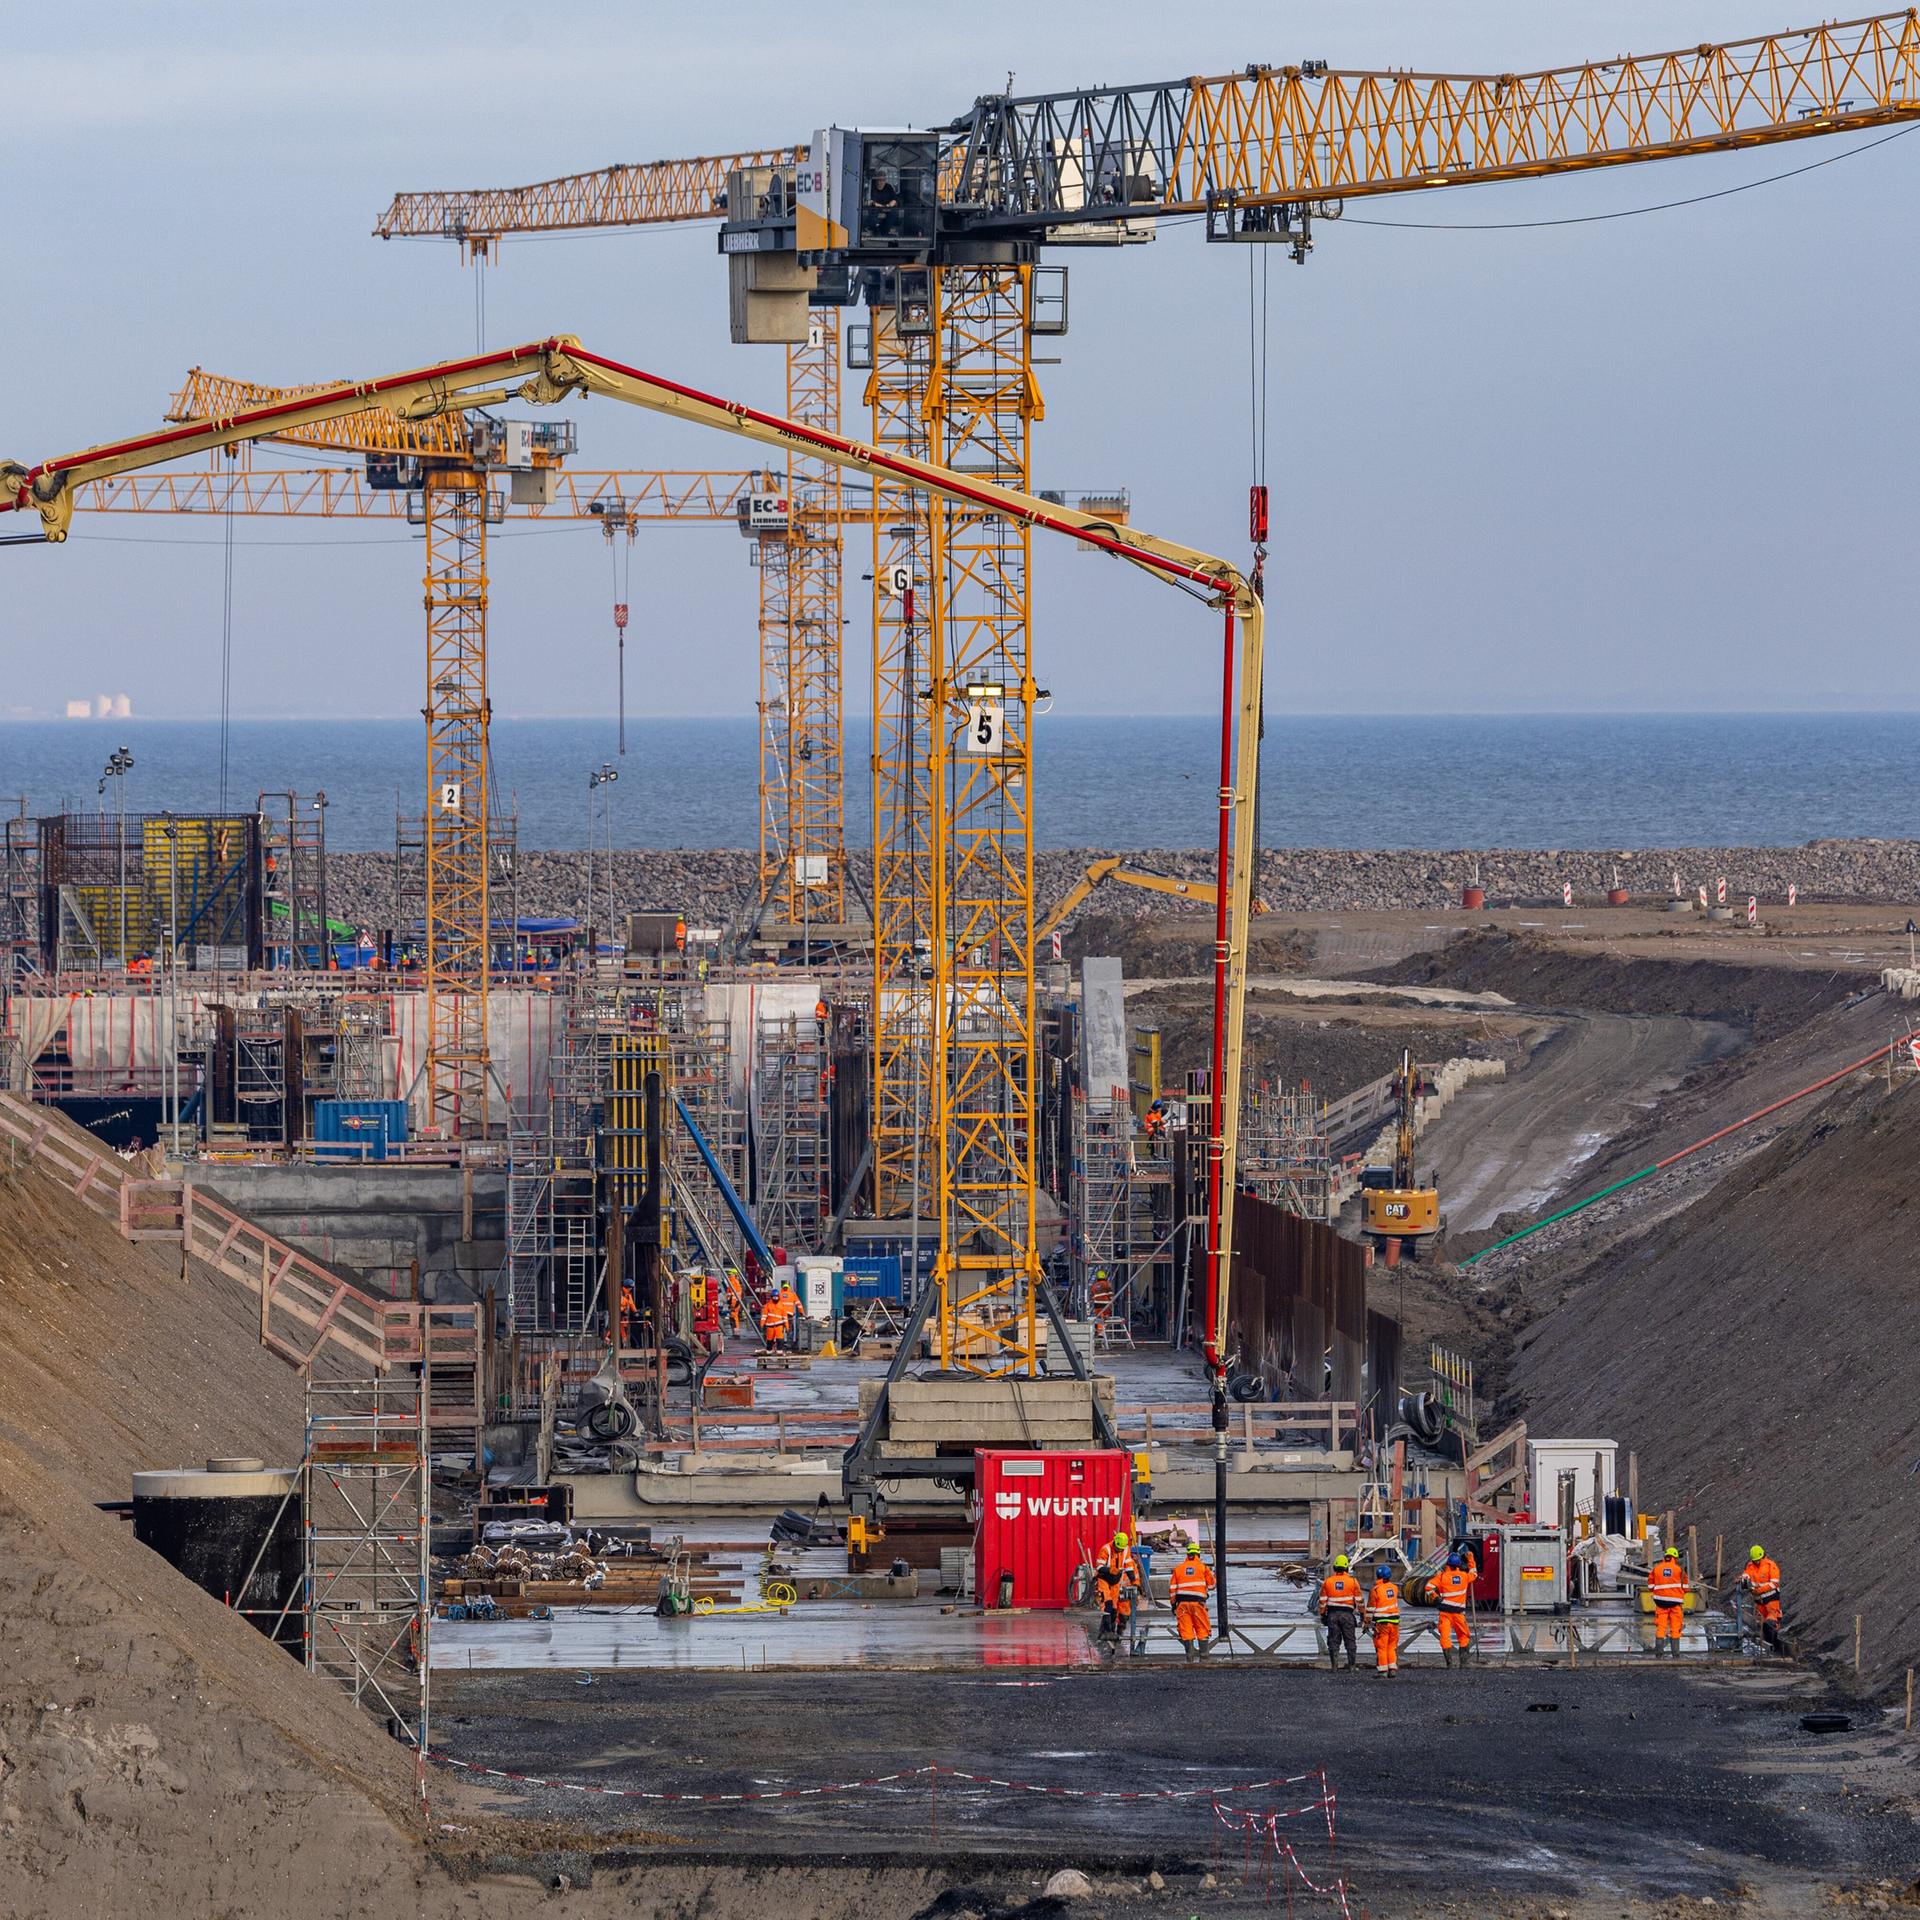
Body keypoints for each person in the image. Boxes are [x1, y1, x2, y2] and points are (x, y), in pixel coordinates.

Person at [1091, 1531, 1142, 1650]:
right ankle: (1107, 1631)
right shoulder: (1106, 1549)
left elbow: (1129, 1566)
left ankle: (1108, 1631)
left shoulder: (1125, 1550)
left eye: (1121, 1549)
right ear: (1114, 1543)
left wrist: (1134, 1581)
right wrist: (1109, 1570)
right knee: (1107, 1604)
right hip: (1104, 1578)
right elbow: (1099, 1566)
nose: (1119, 1551)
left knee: (1113, 1608)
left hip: (1115, 1581)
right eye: (1118, 1548)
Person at [1429, 1549, 1478, 1669]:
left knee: (1445, 1637)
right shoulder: (1464, 1576)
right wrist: (1471, 1559)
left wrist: (1435, 1597)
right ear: (1459, 1565)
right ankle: (1463, 1663)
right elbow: (1474, 1573)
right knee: (1464, 1636)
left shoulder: (1441, 1577)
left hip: (1445, 1613)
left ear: (1448, 1565)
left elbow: (1428, 1587)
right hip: (1459, 1614)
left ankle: (1449, 1663)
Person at [1170, 1543, 1216, 1660]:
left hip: (1182, 1605)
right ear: (1198, 1554)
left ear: (1188, 1554)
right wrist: (1214, 1575)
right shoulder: (1203, 1568)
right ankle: (1204, 1657)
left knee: (1186, 1631)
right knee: (1202, 1629)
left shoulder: (1178, 1569)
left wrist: (1173, 1605)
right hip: (1198, 1604)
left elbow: (1172, 1590)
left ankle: (1189, 1658)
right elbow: (1212, 1586)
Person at [1318, 1552, 1363, 1671]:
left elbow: (1322, 1601)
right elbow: (1360, 1601)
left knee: (1333, 1640)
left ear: (1335, 1567)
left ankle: (1334, 1666)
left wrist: (1322, 1615)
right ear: (1346, 1567)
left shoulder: (1328, 1581)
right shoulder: (1353, 1581)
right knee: (1350, 1640)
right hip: (1348, 1615)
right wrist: (1363, 1615)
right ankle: (1352, 1666)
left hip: (1332, 1615)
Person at [1740, 1544, 1785, 1651]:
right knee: (1762, 1624)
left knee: (1771, 1623)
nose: (1756, 1562)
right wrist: (1743, 1579)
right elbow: (1746, 1574)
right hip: (1759, 1602)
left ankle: (1773, 1646)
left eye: (1757, 1560)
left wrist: (1759, 1590)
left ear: (1762, 1556)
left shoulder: (1771, 1566)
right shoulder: (1750, 1566)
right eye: (1754, 1560)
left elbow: (1774, 1584)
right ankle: (1768, 1645)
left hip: (1771, 1600)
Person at [1648, 1544, 1689, 1656]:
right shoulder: (1679, 1570)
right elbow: (1686, 1587)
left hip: (1660, 1603)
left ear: (1665, 1557)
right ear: (1674, 1558)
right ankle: (1676, 1654)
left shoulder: (1656, 1569)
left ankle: (1659, 1653)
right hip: (1675, 1603)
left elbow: (1650, 1586)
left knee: (1661, 1627)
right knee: (1676, 1628)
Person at [1367, 1564, 1402, 1676]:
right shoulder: (1394, 1588)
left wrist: (1366, 1622)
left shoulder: (1376, 1590)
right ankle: (1392, 1669)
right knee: (1392, 1646)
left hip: (1382, 1623)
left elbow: (1370, 1609)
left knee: (1381, 1647)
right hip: (1395, 1622)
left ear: (1378, 1576)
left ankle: (1383, 1671)